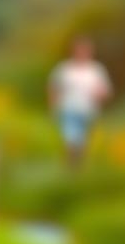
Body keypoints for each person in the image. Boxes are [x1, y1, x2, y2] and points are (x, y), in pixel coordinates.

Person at [48, 37, 113, 169]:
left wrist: (100, 94)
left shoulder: (96, 70)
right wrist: (53, 107)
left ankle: (80, 169)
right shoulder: (65, 69)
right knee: (70, 140)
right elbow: (54, 88)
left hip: (89, 111)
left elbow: (106, 91)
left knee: (84, 143)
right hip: (69, 109)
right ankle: (70, 168)